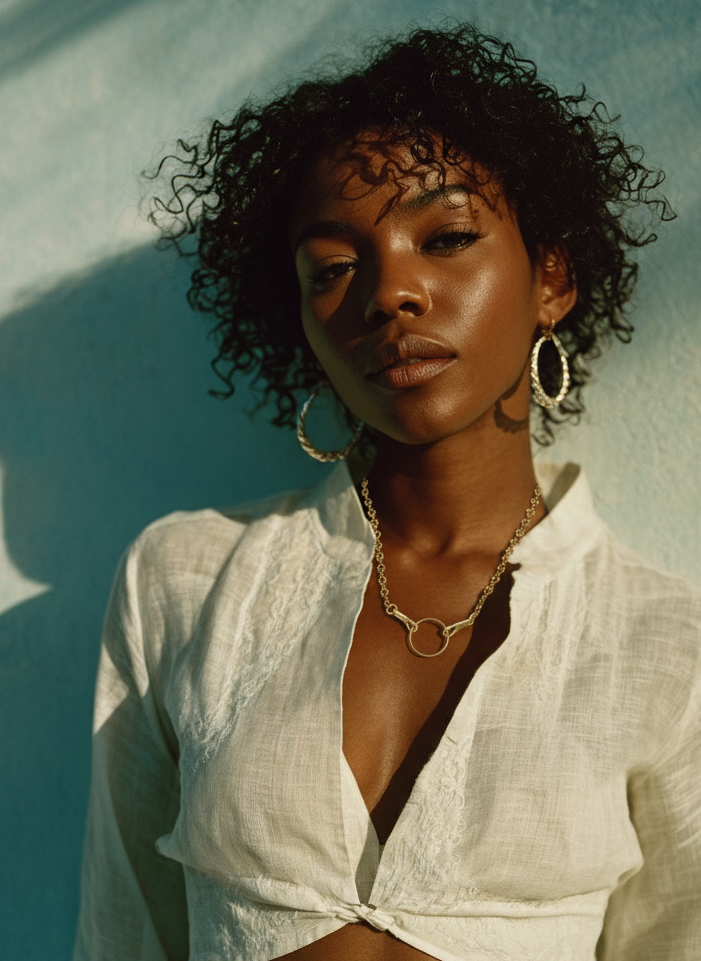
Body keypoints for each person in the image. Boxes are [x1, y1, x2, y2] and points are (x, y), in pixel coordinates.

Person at [73, 22, 701, 961]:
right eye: (332, 268)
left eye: (445, 238)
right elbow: (122, 935)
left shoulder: (662, 644)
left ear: (553, 278)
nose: (389, 293)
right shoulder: (183, 581)